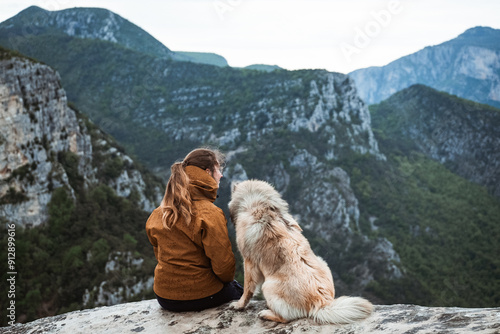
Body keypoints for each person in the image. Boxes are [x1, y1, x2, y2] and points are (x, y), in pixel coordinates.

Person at [145, 148, 242, 312]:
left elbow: (159, 251)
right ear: (207, 172)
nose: (221, 175)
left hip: (165, 297)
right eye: (218, 170)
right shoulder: (209, 213)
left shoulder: (159, 212)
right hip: (202, 295)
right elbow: (224, 269)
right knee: (239, 292)